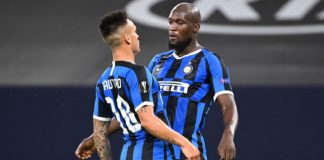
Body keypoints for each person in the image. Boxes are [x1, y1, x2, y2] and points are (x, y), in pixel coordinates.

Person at [76, 3, 238, 160]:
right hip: (157, 152)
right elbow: (138, 109)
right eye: (170, 22)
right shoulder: (157, 61)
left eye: (179, 23)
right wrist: (95, 138)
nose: (172, 28)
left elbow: (228, 105)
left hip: (189, 152)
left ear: (195, 27)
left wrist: (228, 135)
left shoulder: (210, 61)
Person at [85, 9, 200, 160]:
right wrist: (184, 143)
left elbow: (100, 133)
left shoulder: (103, 80)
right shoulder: (138, 73)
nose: (137, 36)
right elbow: (148, 121)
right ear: (127, 38)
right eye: (134, 31)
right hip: (154, 154)